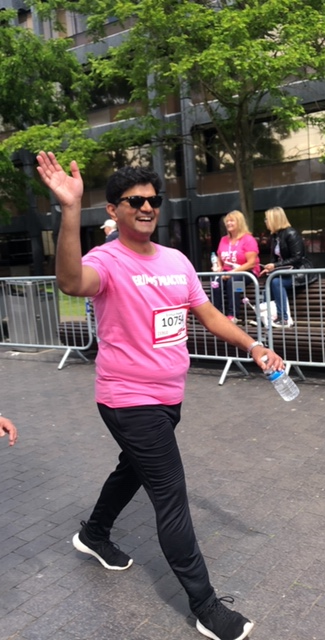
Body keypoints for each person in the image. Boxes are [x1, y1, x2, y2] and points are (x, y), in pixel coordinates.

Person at [36, 150, 284, 640]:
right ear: (113, 210)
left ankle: (93, 535)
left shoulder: (175, 260)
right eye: (134, 201)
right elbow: (69, 281)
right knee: (170, 496)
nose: (147, 208)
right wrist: (69, 210)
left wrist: (254, 345)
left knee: (132, 469)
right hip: (127, 398)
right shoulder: (105, 261)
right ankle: (205, 606)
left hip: (168, 396)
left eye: (153, 200)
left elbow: (208, 315)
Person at [260, 206, 305, 328]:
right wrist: (269, 268)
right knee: (269, 281)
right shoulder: (275, 236)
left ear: (274, 219)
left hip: (298, 272)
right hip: (283, 271)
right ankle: (264, 316)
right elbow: (274, 258)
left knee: (275, 282)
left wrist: (275, 265)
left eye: (267, 219)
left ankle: (284, 318)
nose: (265, 222)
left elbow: (297, 258)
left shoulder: (291, 233)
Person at [212, 210, 260, 323]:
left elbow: (251, 262)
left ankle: (233, 315)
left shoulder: (248, 239)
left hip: (246, 271)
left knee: (233, 281)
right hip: (227, 271)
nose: (228, 223)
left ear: (239, 222)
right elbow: (219, 258)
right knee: (215, 282)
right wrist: (219, 268)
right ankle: (216, 313)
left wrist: (233, 272)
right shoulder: (223, 239)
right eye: (227, 221)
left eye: (232, 221)